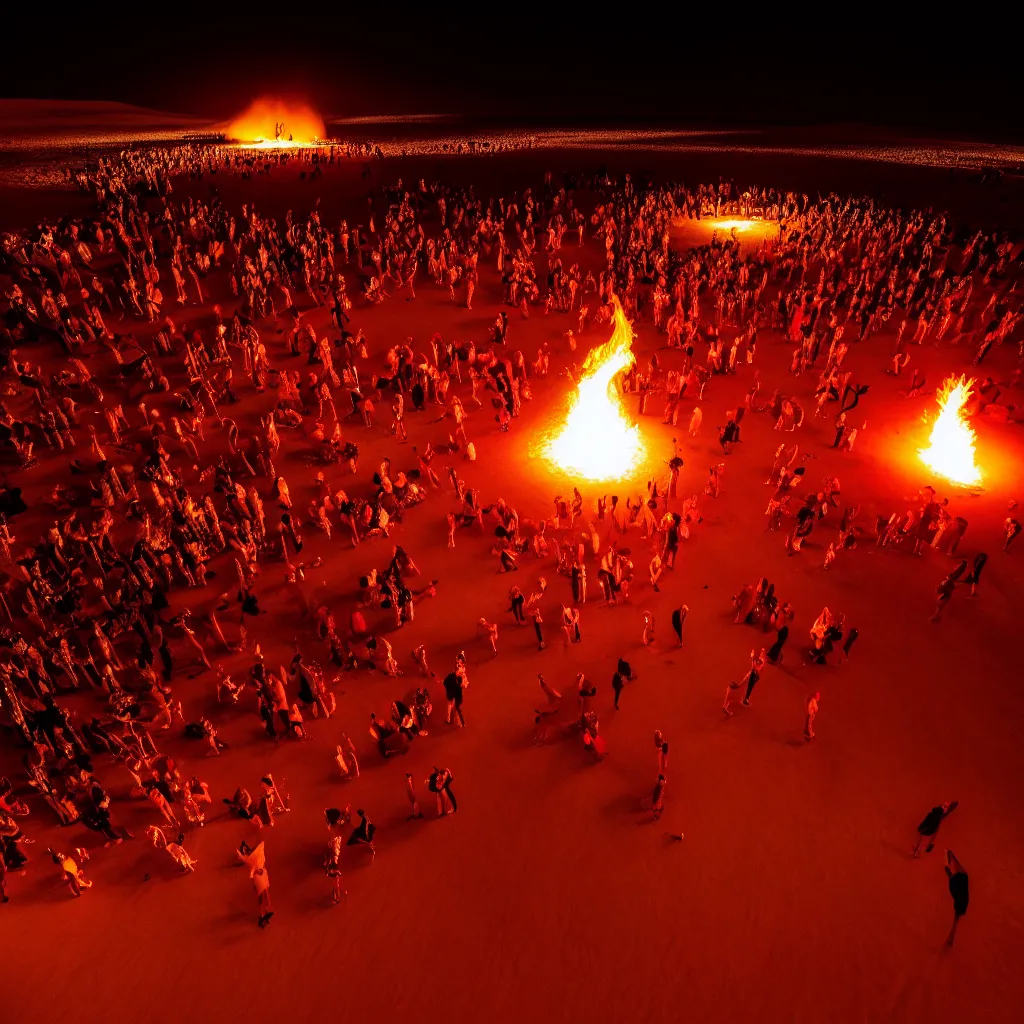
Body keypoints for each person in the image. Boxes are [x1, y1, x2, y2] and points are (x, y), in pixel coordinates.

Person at [944, 849, 969, 947]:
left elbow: (950, 870)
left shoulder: (954, 882)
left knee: (955, 921)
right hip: (962, 902)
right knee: (956, 921)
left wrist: (948, 857)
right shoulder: (963, 878)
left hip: (959, 902)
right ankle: (951, 938)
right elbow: (959, 869)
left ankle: (951, 938)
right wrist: (951, 855)